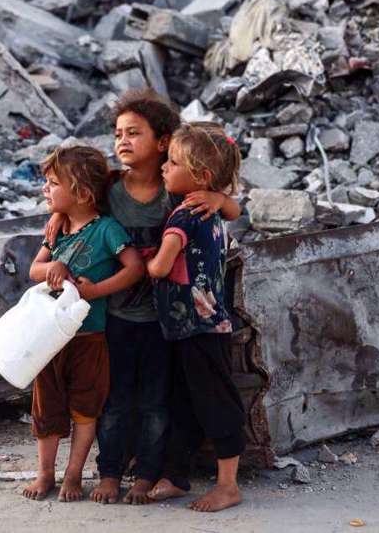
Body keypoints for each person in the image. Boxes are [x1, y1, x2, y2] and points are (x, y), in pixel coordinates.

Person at [48, 89, 242, 505]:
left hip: (166, 321)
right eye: (117, 133)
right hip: (116, 314)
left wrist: (220, 198)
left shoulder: (180, 190)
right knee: (115, 397)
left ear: (162, 143)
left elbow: (231, 211)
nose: (122, 141)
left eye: (133, 132)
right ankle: (116, 470)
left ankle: (155, 473)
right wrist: (58, 215)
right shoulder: (109, 189)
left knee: (162, 399)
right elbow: (76, 201)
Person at [23, 146, 144, 502]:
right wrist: (53, 268)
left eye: (53, 183)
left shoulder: (106, 230)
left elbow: (135, 268)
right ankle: (45, 473)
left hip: (90, 336)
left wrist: (96, 292)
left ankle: (73, 474)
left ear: (82, 193)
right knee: (46, 408)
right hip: (50, 338)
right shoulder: (57, 229)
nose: (46, 189)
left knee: (85, 409)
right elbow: (34, 270)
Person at [145, 122, 246, 512]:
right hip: (194, 327)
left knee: (215, 403)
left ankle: (228, 485)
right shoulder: (209, 211)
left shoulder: (184, 218)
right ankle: (177, 476)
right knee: (186, 402)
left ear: (200, 177)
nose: (164, 168)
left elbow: (160, 267)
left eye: (172, 163)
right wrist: (220, 198)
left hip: (198, 327)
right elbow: (233, 207)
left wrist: (144, 260)